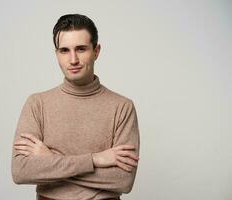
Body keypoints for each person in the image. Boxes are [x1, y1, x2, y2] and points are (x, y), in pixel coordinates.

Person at [11, 14, 140, 200]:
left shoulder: (122, 107)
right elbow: (21, 171)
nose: (73, 60)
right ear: (56, 54)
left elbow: (123, 180)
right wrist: (95, 159)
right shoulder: (37, 104)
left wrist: (50, 160)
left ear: (96, 51)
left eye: (81, 49)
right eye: (64, 50)